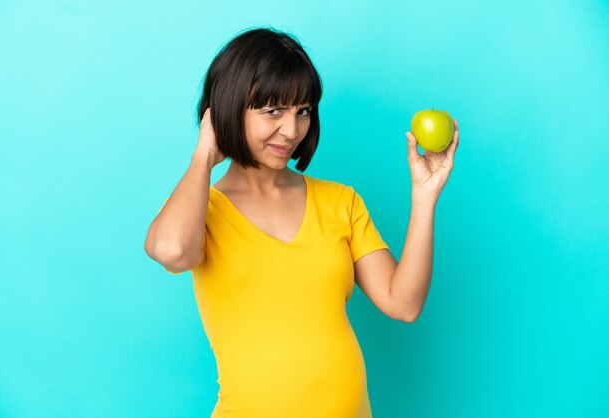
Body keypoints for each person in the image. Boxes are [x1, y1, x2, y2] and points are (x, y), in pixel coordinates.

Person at [145, 26, 459, 418]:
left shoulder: (340, 201)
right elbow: (173, 252)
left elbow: (404, 303)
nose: (291, 130)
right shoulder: (199, 210)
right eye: (273, 111)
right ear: (227, 108)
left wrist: (424, 196)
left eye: (303, 112)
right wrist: (204, 156)